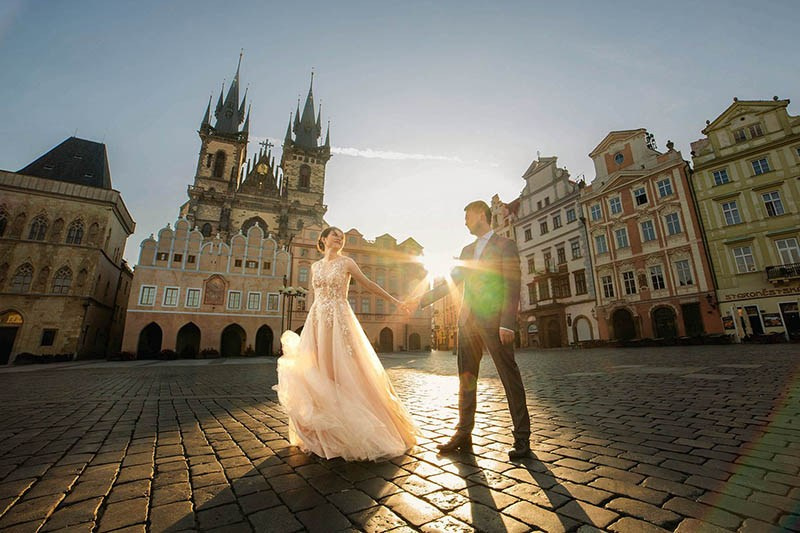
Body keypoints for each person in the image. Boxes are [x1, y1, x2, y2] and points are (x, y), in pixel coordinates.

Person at [274, 227, 417, 461]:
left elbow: (369, 284)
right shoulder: (315, 266)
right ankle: (322, 432)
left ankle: (346, 427)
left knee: (343, 369)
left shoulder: (347, 262)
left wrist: (394, 301)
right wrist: (309, 316)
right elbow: (312, 294)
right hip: (317, 320)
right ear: (323, 240)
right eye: (335, 235)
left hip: (339, 319)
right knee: (316, 369)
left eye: (342, 236)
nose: (340, 238)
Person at [408, 200, 531, 460]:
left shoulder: (505, 245)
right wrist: (420, 300)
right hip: (468, 322)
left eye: (467, 216)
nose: (464, 222)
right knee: (466, 379)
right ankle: (464, 433)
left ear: (480, 214)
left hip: (496, 321)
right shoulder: (466, 250)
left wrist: (508, 321)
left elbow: (512, 284)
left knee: (510, 378)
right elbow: (452, 281)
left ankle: (522, 438)